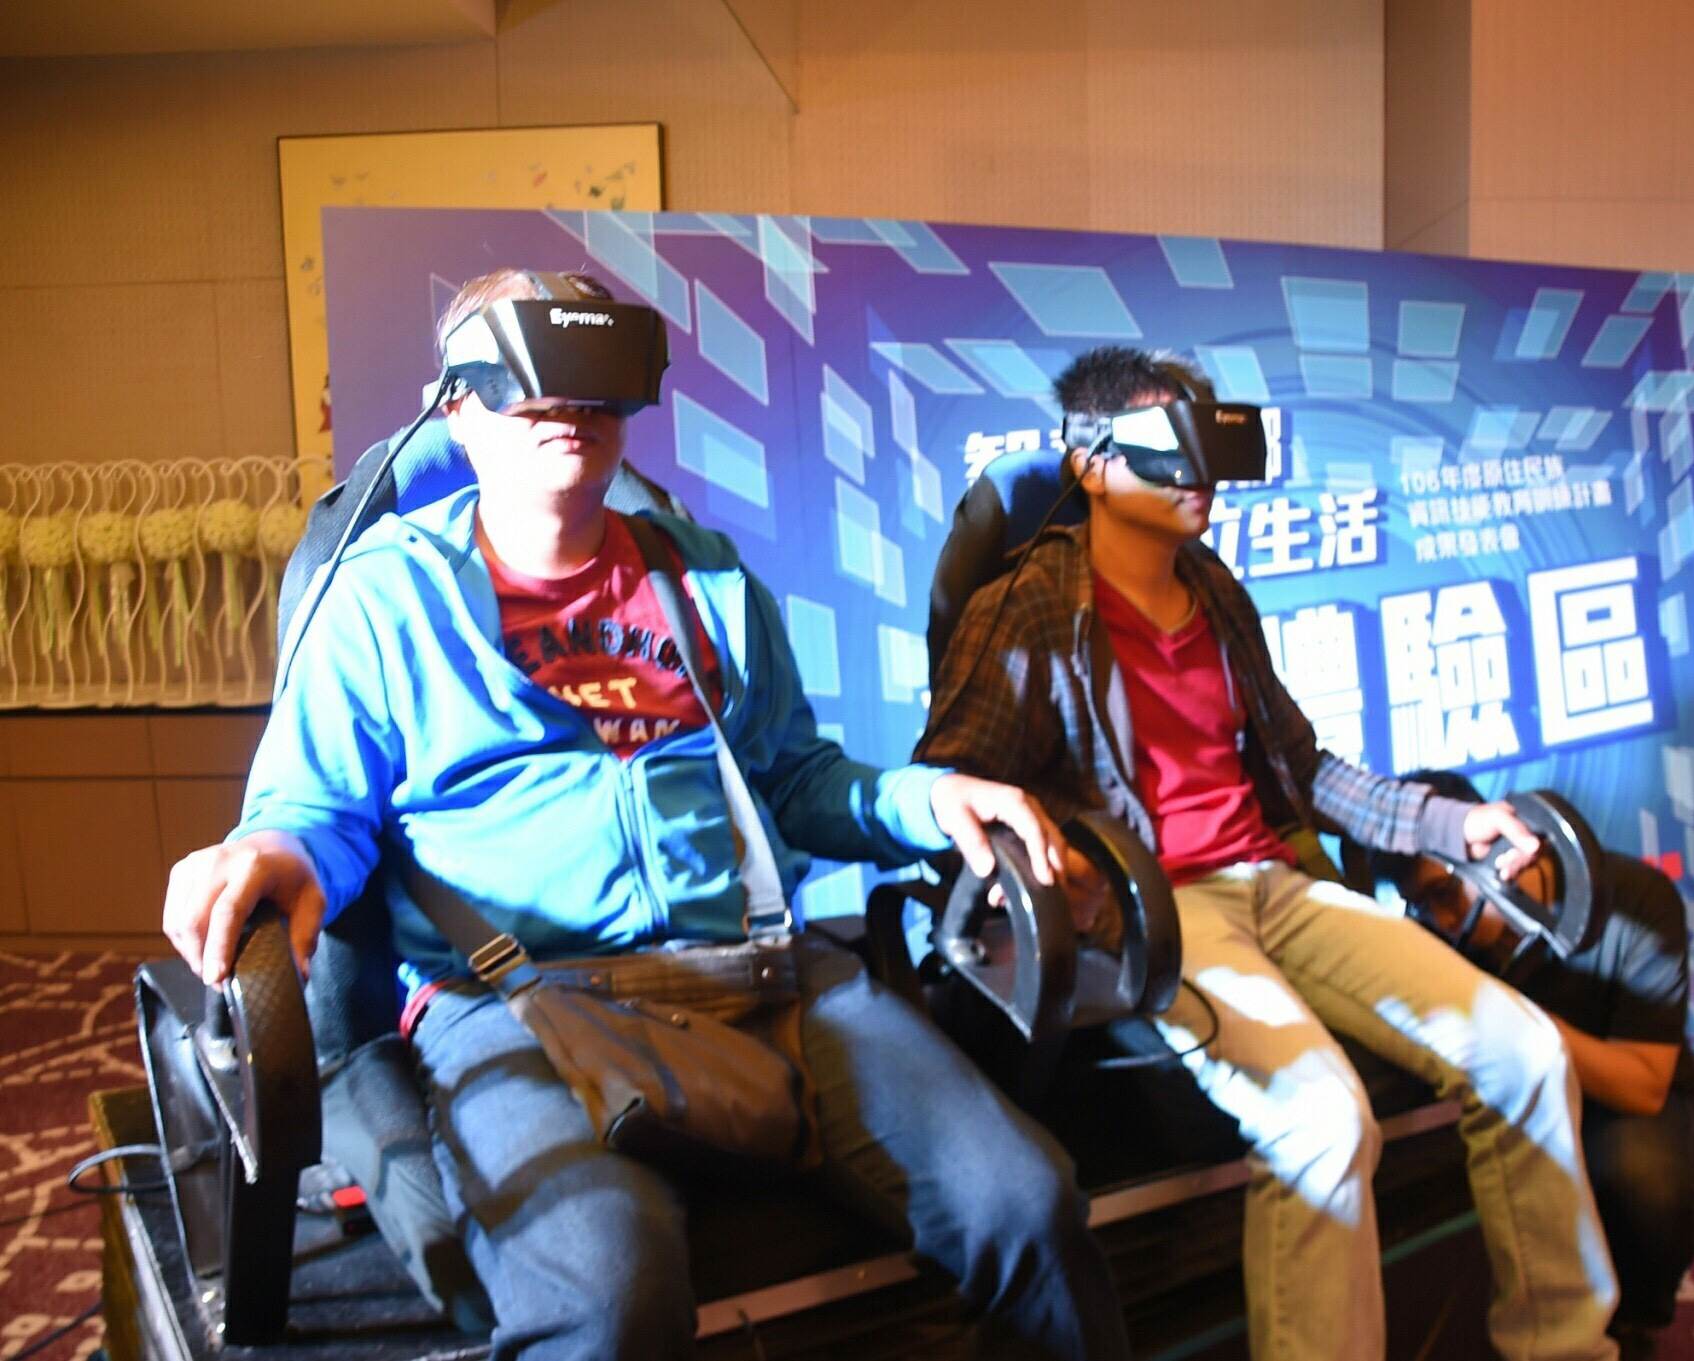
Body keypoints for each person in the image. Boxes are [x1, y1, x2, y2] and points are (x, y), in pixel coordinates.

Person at [160, 269, 1132, 1360]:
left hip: (763, 975)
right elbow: (315, 807)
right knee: (610, 1302)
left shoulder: (703, 578)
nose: (567, 409)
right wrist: (270, 849)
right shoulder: (387, 598)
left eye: (591, 382)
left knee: (1029, 1204)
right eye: (532, 383)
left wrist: (930, 795)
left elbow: (794, 777)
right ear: (457, 410)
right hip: (515, 1003)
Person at [917, 344, 1621, 1361]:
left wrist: (1445, 822)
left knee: (1526, 1053)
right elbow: (956, 783)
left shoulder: (1213, 589)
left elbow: (1302, 765)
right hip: (1158, 912)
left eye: (1206, 444)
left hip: (1275, 886)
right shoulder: (1025, 607)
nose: (1197, 472)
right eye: (1169, 445)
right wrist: (1049, 862)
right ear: (1090, 465)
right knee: (1323, 1121)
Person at [1381, 772, 1694, 1361]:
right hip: (1500, 1111)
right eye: (1421, 906)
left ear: (1494, 850)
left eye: (1444, 894)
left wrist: (1519, 1022)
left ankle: (1632, 1326)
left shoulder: (1636, 902)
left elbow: (1642, 1085)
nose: (1439, 921)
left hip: (1614, 1105)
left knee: (1645, 1178)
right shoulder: (1436, 942)